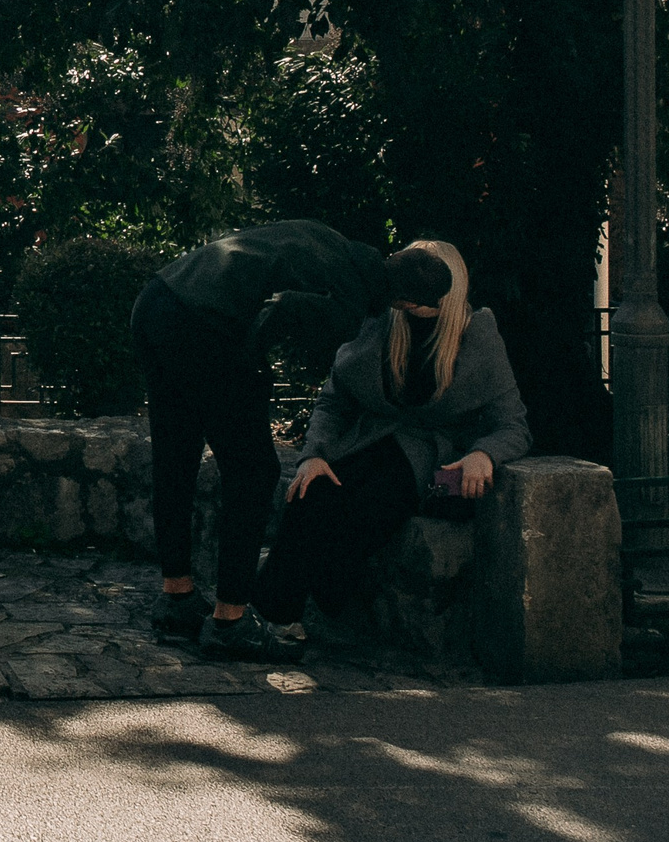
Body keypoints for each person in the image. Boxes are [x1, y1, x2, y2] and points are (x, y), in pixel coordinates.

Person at [133, 219, 457, 664]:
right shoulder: (350, 302)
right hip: (203, 327)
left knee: (176, 455)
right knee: (255, 472)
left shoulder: (332, 241)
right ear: (411, 304)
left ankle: (177, 599)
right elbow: (280, 310)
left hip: (158, 299)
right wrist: (252, 369)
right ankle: (229, 622)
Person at [253, 241, 530, 628]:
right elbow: (334, 402)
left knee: (372, 496)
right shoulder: (381, 320)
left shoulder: (478, 335)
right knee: (309, 491)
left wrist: (483, 454)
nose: (412, 302)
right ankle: (276, 618)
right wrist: (313, 454)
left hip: (423, 463)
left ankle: (302, 599)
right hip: (362, 443)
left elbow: (512, 424)